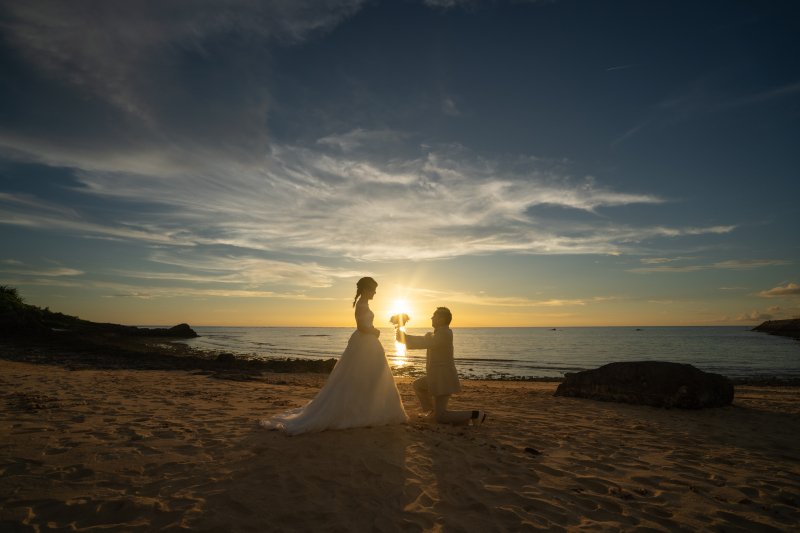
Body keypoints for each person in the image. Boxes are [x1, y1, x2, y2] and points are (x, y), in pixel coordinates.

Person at [260, 277, 408, 435]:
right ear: (365, 289)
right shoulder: (361, 304)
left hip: (368, 343)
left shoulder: (364, 304)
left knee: (372, 376)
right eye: (373, 289)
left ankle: (371, 407)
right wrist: (375, 331)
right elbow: (361, 326)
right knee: (359, 375)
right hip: (365, 343)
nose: (375, 293)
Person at [396, 307, 487, 426]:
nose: (431, 318)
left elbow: (426, 343)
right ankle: (433, 411)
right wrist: (403, 335)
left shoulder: (445, 334)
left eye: (434, 316)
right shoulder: (437, 333)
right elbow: (421, 338)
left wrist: (405, 341)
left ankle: (476, 414)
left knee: (441, 416)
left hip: (443, 378)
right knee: (418, 385)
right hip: (436, 376)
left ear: (442, 319)